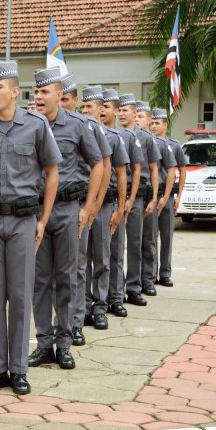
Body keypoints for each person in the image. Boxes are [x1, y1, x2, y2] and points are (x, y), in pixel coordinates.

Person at [0, 60, 61, 394]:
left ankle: (18, 370)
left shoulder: (35, 126)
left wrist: (43, 220)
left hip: (22, 221)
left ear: (15, 92)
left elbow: (52, 172)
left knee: (19, 296)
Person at [29, 67, 102, 371]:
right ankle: (44, 344)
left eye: (44, 92)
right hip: (36, 213)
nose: (38, 97)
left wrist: (88, 208)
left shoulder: (78, 125)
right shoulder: (28, 125)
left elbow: (97, 163)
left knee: (67, 278)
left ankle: (65, 343)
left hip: (68, 210)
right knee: (40, 280)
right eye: (36, 92)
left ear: (60, 95)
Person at [60, 78, 112, 345]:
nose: (61, 105)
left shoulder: (88, 127)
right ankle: (63, 322)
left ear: (74, 101)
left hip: (80, 205)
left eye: (65, 100)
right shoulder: (43, 125)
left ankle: (80, 320)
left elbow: (104, 167)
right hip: (56, 208)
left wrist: (93, 206)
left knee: (82, 267)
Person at [80, 86, 129, 329]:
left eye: (90, 106)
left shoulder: (112, 137)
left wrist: (120, 208)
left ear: (101, 109)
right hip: (82, 203)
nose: (86, 110)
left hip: (103, 205)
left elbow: (121, 175)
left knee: (101, 257)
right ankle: (86, 305)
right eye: (84, 106)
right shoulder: (78, 131)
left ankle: (100, 306)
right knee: (82, 259)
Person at [100, 89, 143, 318]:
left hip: (116, 199)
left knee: (116, 252)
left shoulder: (126, 137)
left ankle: (116, 298)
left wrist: (128, 200)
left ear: (115, 111)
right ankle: (99, 298)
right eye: (101, 106)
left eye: (107, 107)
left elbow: (133, 171)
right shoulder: (92, 132)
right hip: (97, 201)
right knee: (98, 255)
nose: (102, 110)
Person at [119, 94, 160, 307]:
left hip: (138, 198)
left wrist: (153, 197)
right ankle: (115, 292)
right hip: (116, 196)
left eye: (126, 110)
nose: (122, 114)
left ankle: (133, 287)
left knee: (136, 244)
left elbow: (153, 169)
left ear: (135, 114)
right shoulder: (113, 134)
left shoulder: (146, 138)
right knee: (114, 248)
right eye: (121, 109)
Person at [135, 102, 176, 296]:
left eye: (141, 117)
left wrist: (163, 196)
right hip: (133, 196)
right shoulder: (125, 137)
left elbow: (170, 172)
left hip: (152, 194)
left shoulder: (159, 143)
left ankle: (149, 279)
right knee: (135, 243)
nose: (138, 120)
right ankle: (134, 281)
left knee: (150, 240)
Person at [150, 108, 187, 287]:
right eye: (152, 123)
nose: (154, 126)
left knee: (166, 237)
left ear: (166, 124)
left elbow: (182, 170)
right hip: (152, 196)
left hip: (168, 195)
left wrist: (178, 196)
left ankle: (164, 273)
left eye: (157, 123)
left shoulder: (174, 145)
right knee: (150, 238)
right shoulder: (149, 142)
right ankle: (150, 274)